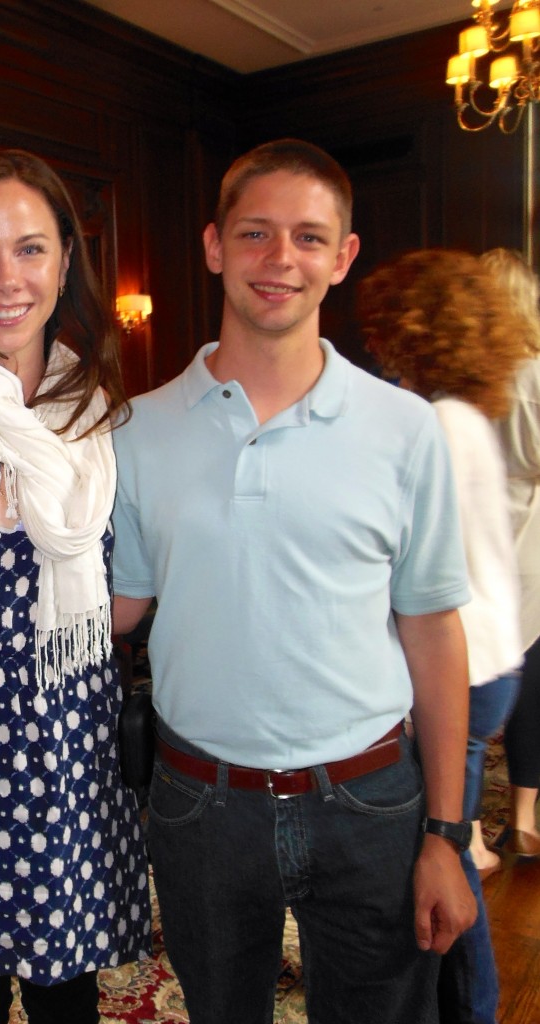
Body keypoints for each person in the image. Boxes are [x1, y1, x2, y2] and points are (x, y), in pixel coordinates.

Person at [111, 138, 477, 1023]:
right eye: (255, 234)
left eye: (309, 239)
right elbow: (115, 610)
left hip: (369, 802)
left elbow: (431, 631)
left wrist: (445, 833)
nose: (280, 261)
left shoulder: (404, 429)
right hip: (199, 807)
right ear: (213, 246)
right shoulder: (135, 429)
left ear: (343, 257)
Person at [0, 149, 151, 1024]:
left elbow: (135, 594)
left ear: (65, 262)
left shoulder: (107, 417)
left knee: (64, 1004)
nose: (4, 278)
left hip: (66, 770)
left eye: (29, 248)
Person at [360, 247, 527, 1024]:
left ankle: (472, 1008)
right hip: (490, 659)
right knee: (443, 845)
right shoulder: (464, 414)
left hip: (458, 667)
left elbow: (421, 569)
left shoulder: (435, 423)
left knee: (440, 852)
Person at [483, 247, 540, 860]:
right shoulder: (535, 377)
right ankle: (524, 818)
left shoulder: (459, 378)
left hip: (472, 550)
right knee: (533, 689)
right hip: (530, 549)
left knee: (462, 693)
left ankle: (464, 827)